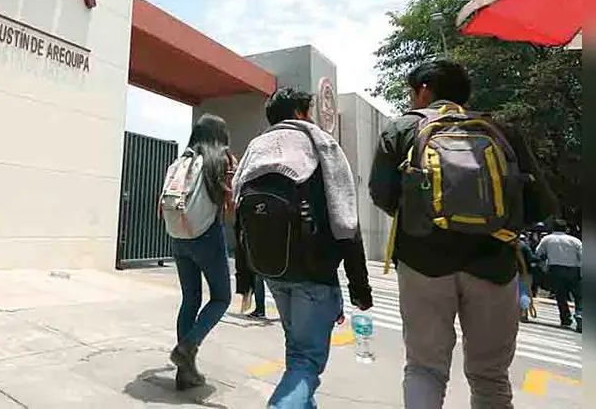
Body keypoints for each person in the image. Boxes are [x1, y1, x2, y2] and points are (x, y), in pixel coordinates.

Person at [368, 60, 557, 409]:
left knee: (425, 369)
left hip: (423, 262)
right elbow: (540, 204)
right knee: (490, 377)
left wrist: (427, 216)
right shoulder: (501, 130)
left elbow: (381, 194)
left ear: (424, 90)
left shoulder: (402, 128)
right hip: (494, 264)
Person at [232, 87, 373, 408]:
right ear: (299, 113)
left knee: (297, 353)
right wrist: (359, 287)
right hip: (315, 270)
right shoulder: (320, 143)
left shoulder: (255, 148)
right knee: (306, 362)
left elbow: (239, 216)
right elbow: (345, 218)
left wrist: (244, 279)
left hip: (270, 268)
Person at [159, 114, 236, 390]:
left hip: (178, 236)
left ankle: (185, 373)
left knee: (190, 298)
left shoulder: (180, 162)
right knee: (221, 297)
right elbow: (229, 204)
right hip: (206, 236)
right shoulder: (219, 161)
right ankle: (188, 347)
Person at [535, 219, 582, 331]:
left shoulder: (546, 239)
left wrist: (544, 267)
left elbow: (538, 253)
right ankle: (580, 314)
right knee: (578, 295)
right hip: (573, 270)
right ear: (566, 229)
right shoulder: (575, 240)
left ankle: (565, 318)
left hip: (555, 270)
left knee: (560, 296)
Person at [234, 213, 269, 320]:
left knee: (258, 277)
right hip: (259, 245)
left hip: (258, 247)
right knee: (259, 278)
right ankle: (260, 309)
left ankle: (260, 309)